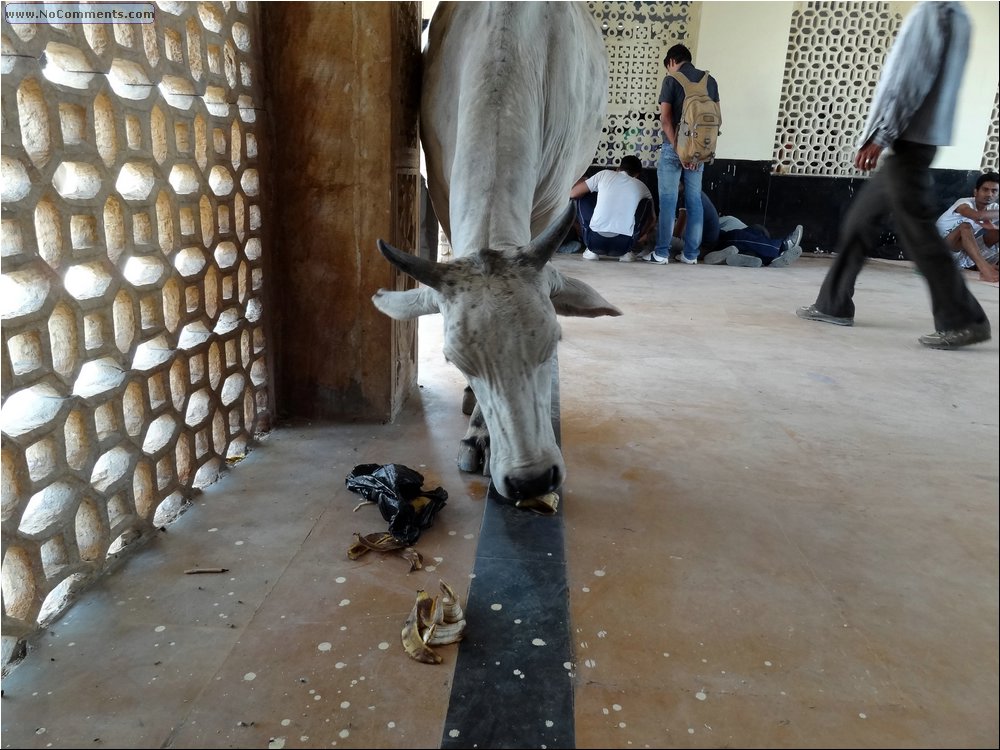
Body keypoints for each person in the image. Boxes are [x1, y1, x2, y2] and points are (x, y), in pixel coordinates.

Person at [795, 1, 991, 350]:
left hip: (909, 140)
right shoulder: (956, 15)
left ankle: (964, 319)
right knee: (859, 222)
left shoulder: (934, 12)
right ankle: (833, 304)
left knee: (920, 235)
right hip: (915, 141)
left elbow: (911, 77)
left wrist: (881, 133)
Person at [649, 44, 720, 265]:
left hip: (673, 148)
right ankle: (690, 255)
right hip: (700, 149)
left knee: (668, 201)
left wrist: (680, 150)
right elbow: (718, 118)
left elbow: (665, 119)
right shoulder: (710, 81)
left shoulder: (671, 80)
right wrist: (696, 151)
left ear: (671, 61)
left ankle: (661, 253)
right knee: (694, 200)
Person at [570, 155, 656, 262]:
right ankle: (628, 252)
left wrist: (583, 180)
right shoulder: (642, 186)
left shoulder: (603, 174)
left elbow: (573, 194)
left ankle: (591, 250)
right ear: (637, 174)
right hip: (624, 245)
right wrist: (641, 236)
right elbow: (652, 219)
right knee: (645, 202)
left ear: (618, 169)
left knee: (583, 195)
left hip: (594, 242)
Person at [699, 191, 804, 268]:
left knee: (757, 231)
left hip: (739, 231)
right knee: (738, 237)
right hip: (719, 238)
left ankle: (768, 260)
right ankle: (781, 247)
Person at [935, 171, 999, 283]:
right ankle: (985, 268)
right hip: (941, 253)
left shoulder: (994, 208)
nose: (989, 194)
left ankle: (987, 266)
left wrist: (995, 228)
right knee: (965, 226)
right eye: (985, 190)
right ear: (975, 191)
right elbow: (977, 216)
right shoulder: (964, 203)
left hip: (963, 255)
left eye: (994, 191)